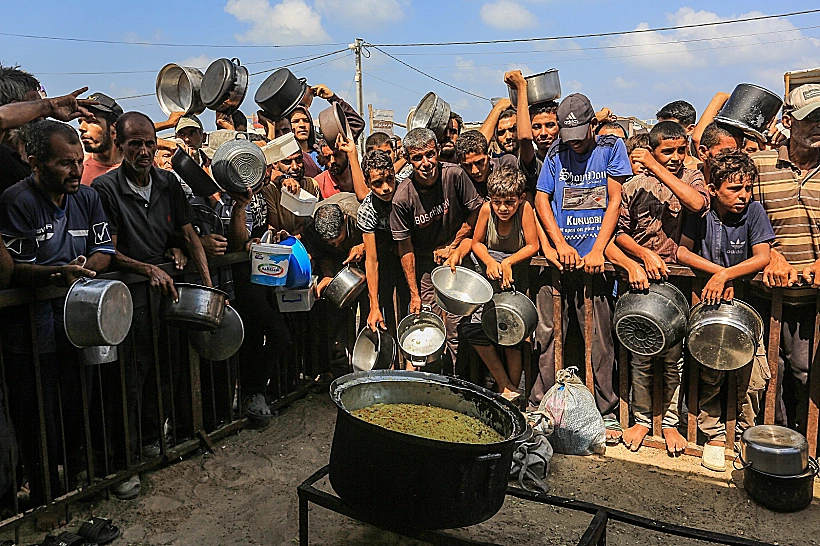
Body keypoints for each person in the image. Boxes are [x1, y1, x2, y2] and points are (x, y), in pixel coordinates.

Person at [92, 111, 213, 499]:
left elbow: (188, 233)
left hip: (167, 291)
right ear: (119, 144)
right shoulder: (105, 189)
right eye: (135, 144)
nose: (144, 151)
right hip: (129, 296)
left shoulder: (168, 182)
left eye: (149, 144)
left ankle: (149, 442)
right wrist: (146, 268)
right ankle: (123, 464)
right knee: (131, 377)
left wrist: (207, 283)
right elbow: (106, 250)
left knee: (167, 367)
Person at [0, 120, 115, 511]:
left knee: (78, 405)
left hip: (78, 322)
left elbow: (104, 250)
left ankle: (80, 484)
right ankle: (45, 499)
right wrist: (56, 274)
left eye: (79, 161)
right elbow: (16, 270)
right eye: (65, 163)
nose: (76, 170)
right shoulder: (18, 201)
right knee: (38, 415)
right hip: (31, 330)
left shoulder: (87, 197)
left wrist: (82, 270)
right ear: (36, 163)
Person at [532, 93, 632, 440]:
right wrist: (559, 244)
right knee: (550, 335)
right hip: (560, 263)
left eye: (579, 136)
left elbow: (614, 200)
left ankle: (606, 410)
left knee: (600, 339)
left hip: (596, 266)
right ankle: (542, 406)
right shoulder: (555, 152)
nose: (574, 143)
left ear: (593, 125)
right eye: (568, 136)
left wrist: (598, 249)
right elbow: (541, 198)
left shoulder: (610, 148)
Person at [614, 121, 709, 454]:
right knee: (641, 355)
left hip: (676, 283)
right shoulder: (633, 186)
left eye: (681, 150)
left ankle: (669, 423)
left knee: (673, 359)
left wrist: (657, 168)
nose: (676, 157)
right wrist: (643, 256)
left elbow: (697, 204)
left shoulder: (692, 177)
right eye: (667, 151)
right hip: (641, 282)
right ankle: (641, 419)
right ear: (653, 149)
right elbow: (619, 233)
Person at [677, 149, 774, 471]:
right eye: (734, 188)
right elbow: (682, 253)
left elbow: (762, 256)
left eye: (747, 188)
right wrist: (718, 272)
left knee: (754, 378)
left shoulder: (754, 212)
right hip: (710, 308)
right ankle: (714, 436)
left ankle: (745, 435)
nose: (743, 195)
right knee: (710, 372)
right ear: (713, 188)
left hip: (747, 310)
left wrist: (726, 275)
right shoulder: (701, 213)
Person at [752, 84, 820, 432]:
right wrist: (771, 254)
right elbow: (740, 219)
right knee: (767, 376)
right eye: (811, 119)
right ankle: (773, 442)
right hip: (765, 296)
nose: (818, 126)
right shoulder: (759, 165)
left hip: (813, 302)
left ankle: (809, 442)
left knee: (808, 375)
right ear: (788, 121)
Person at [391, 128, 483, 373]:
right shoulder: (402, 198)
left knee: (457, 326)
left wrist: (453, 245)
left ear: (438, 151)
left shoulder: (455, 175)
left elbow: (477, 211)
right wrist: (414, 294)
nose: (426, 163)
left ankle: (458, 380)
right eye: (417, 157)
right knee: (428, 327)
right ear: (408, 160)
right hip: (424, 266)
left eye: (430, 155)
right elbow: (405, 248)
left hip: (455, 261)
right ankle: (431, 381)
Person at [466, 165, 539, 398]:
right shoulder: (486, 210)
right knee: (475, 329)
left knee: (513, 335)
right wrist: (490, 261)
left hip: (514, 282)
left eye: (509, 202)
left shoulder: (525, 210)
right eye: (497, 202)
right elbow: (476, 242)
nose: (503, 208)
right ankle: (504, 384)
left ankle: (513, 391)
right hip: (489, 279)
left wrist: (508, 262)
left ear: (521, 198)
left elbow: (533, 245)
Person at [358, 149, 408, 337]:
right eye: (378, 183)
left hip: (414, 250)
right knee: (388, 308)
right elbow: (372, 260)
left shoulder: (408, 188)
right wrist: (374, 304)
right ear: (367, 183)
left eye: (389, 179)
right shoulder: (367, 211)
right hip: (386, 257)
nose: (386, 188)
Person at [265, 132, 322, 235]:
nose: (295, 167)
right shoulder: (270, 189)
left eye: (298, 159)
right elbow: (273, 228)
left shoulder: (312, 185)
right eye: (287, 162)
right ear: (275, 164)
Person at [455, 130, 519, 198]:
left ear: (489, 154)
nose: (475, 171)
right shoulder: (459, 178)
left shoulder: (506, 164)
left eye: (479, 162)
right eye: (467, 166)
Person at [78, 92, 123, 186]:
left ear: (115, 128)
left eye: (91, 121)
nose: (81, 128)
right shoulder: (77, 169)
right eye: (80, 122)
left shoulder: (138, 166)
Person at [315, 135, 367, 200]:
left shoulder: (363, 178)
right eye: (327, 157)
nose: (332, 161)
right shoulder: (319, 184)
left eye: (336, 155)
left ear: (346, 154)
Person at [656, 100, 699, 170]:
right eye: (660, 128)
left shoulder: (699, 169)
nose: (663, 133)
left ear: (690, 129)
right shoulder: (647, 165)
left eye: (671, 128)